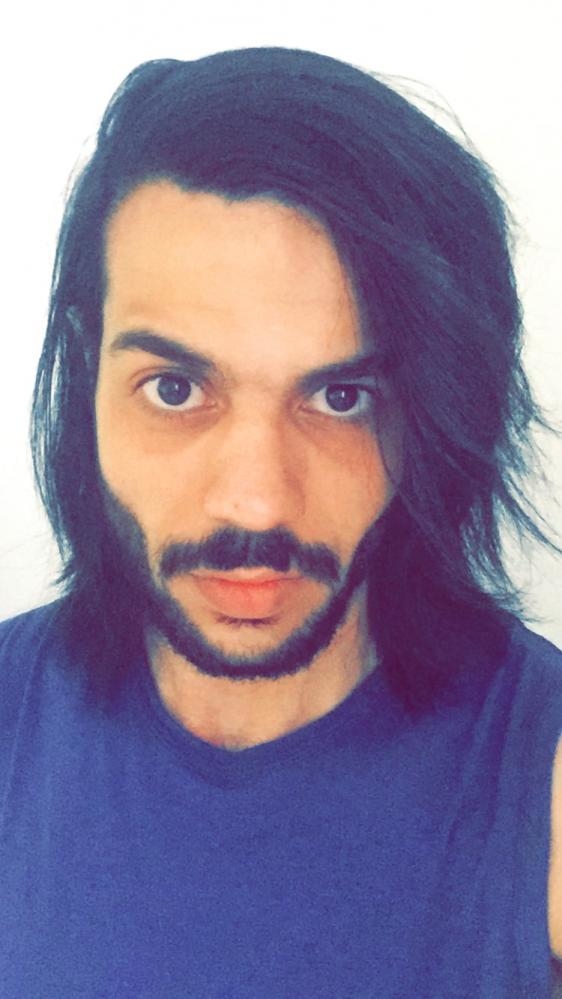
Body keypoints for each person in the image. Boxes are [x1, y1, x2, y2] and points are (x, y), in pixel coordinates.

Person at [1, 46, 561, 997]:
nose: (256, 502)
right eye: (174, 388)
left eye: (342, 397)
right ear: (88, 374)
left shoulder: (539, 771)